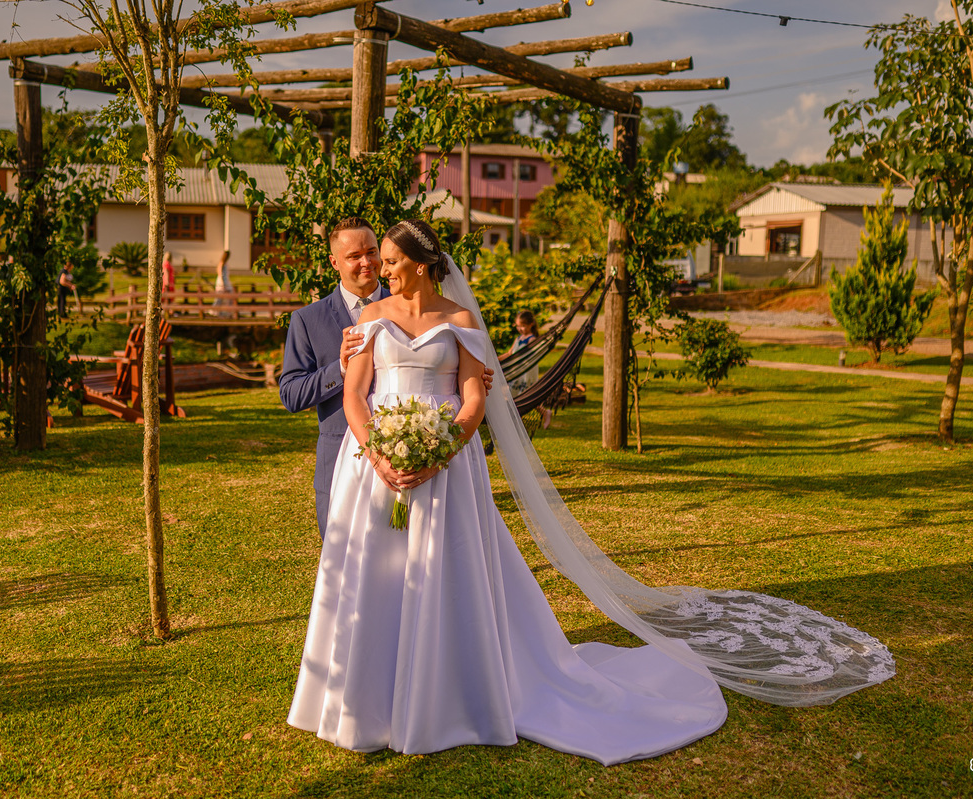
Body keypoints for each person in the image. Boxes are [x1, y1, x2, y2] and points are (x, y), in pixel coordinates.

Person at [288, 219, 894, 764]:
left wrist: (439, 450)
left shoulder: (462, 321)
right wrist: (381, 456)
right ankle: (366, 700)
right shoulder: (368, 321)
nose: (381, 271)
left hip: (445, 465)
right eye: (374, 260)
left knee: (446, 573)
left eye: (389, 260)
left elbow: (475, 399)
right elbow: (353, 395)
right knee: (379, 572)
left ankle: (444, 691)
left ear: (417, 263)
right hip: (378, 466)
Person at [279, 217, 497, 539]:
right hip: (355, 454)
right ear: (334, 262)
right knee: (354, 557)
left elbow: (464, 388)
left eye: (374, 253)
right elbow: (293, 394)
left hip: (436, 445)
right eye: (355, 256)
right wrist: (341, 368)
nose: (370, 264)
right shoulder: (309, 319)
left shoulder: (447, 314)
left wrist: (467, 382)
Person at [507, 309, 553, 428]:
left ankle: (545, 413)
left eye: (523, 326)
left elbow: (530, 355)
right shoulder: (518, 338)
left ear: (531, 325)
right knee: (514, 396)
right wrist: (496, 360)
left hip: (526, 372)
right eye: (518, 326)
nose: (520, 329)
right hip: (517, 372)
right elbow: (510, 353)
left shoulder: (532, 339)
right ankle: (519, 422)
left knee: (526, 397)